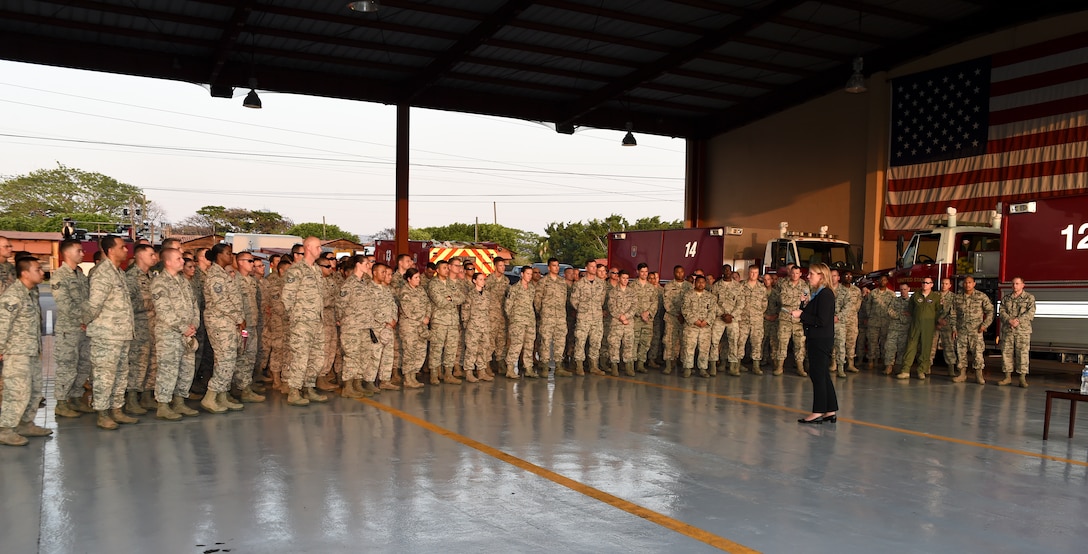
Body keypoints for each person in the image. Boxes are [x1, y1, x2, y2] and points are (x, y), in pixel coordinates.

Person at [86, 235, 138, 429]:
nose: (126, 250)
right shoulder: (103, 273)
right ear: (110, 251)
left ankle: (117, 409)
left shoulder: (119, 272)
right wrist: (86, 322)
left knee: (120, 374)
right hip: (106, 334)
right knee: (104, 375)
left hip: (121, 333)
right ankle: (102, 413)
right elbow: (93, 305)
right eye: (123, 247)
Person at [0, 257, 50, 446]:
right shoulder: (13, 296)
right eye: (37, 269)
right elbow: (3, 325)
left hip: (30, 350)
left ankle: (25, 424)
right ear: (25, 273)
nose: (42, 272)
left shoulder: (31, 293)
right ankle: (5, 429)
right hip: (16, 353)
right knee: (17, 392)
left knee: (35, 390)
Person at [149, 247, 200, 420]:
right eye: (179, 258)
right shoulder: (160, 283)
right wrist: (182, 327)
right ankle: (163, 405)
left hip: (187, 334)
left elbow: (194, 305)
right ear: (168, 262)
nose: (182, 262)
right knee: (168, 369)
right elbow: (164, 311)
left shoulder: (183, 281)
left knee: (186, 369)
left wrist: (194, 325)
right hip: (169, 334)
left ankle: (179, 402)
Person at [281, 237, 329, 404]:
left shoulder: (316, 270)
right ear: (308, 248)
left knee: (317, 357)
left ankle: (309, 387)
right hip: (302, 321)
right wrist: (297, 317)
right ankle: (294, 391)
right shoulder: (296, 270)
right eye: (318, 247)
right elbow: (287, 297)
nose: (320, 251)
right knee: (300, 356)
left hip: (317, 320)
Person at [51, 239, 93, 418]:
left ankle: (76, 398)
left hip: (84, 329)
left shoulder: (80, 275)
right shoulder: (60, 276)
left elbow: (88, 300)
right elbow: (64, 305)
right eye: (79, 251)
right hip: (69, 330)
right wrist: (83, 319)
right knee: (66, 366)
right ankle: (61, 403)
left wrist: (88, 319)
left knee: (83, 364)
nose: (83, 254)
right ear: (67, 253)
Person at [793, 263, 837, 424]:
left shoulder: (825, 294)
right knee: (823, 374)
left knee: (818, 375)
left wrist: (802, 314)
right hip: (818, 338)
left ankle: (818, 411)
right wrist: (804, 305)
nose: (808, 276)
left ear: (822, 276)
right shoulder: (818, 294)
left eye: (812, 273)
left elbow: (822, 320)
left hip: (820, 339)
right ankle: (830, 410)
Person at [125, 243, 157, 415]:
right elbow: (130, 304)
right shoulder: (131, 277)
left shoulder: (151, 276)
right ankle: (131, 398)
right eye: (151, 254)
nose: (155, 258)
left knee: (152, 362)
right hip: (139, 327)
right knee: (138, 362)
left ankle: (147, 395)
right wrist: (153, 304)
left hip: (153, 327)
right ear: (140, 256)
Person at [427, 260, 465, 384]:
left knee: (451, 348)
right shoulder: (433, 284)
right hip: (439, 321)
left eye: (447, 268)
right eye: (444, 268)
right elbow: (440, 302)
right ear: (437, 270)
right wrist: (452, 299)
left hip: (453, 321)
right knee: (436, 348)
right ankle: (433, 374)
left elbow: (462, 297)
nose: (446, 270)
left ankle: (448, 373)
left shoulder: (451, 283)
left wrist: (450, 298)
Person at [534, 258, 572, 378]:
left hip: (560, 317)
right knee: (545, 341)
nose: (556, 268)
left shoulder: (562, 282)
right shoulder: (543, 282)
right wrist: (542, 312)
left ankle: (559, 367)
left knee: (560, 341)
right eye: (554, 266)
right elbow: (537, 300)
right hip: (547, 316)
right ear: (549, 267)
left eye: (557, 266)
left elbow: (565, 299)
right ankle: (544, 366)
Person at [952, 276, 993, 385]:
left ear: (974, 284)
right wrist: (954, 328)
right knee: (961, 353)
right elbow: (953, 314)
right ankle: (962, 374)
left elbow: (990, 311)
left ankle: (978, 375)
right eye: (965, 282)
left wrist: (985, 325)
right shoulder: (957, 297)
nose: (967, 285)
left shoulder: (981, 296)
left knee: (978, 353)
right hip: (962, 330)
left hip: (976, 331)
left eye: (970, 282)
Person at [898, 278, 942, 380]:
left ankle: (921, 370)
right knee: (910, 346)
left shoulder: (935, 297)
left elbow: (938, 311)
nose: (925, 284)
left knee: (925, 348)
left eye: (927, 283)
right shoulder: (916, 296)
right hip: (916, 325)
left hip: (928, 326)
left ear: (932, 284)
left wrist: (937, 322)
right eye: (923, 282)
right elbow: (911, 310)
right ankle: (905, 370)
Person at [571, 259, 606, 376]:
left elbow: (602, 300)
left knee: (596, 342)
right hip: (583, 317)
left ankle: (594, 366)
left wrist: (595, 309)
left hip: (596, 317)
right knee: (580, 341)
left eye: (595, 267)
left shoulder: (601, 284)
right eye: (591, 267)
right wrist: (583, 309)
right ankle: (579, 366)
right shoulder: (579, 284)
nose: (594, 269)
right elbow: (574, 300)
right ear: (586, 268)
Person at [396, 268, 430, 388]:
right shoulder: (404, 291)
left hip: (421, 327)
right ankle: (407, 378)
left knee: (420, 351)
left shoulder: (421, 290)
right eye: (416, 278)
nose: (418, 280)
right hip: (409, 327)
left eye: (419, 277)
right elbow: (407, 310)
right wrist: (422, 318)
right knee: (409, 352)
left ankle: (414, 376)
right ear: (409, 279)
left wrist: (427, 316)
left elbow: (428, 304)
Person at [999, 277, 1035, 387]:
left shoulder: (1029, 298)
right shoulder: (1006, 298)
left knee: (1022, 353)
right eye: (1013, 284)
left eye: (1017, 284)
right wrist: (1009, 320)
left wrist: (1018, 321)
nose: (1015, 286)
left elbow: (1030, 313)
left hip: (1022, 331)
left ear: (1023, 285)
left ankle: (1022, 378)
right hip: (1008, 330)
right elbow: (1001, 311)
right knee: (1006, 353)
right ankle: (1007, 377)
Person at [680, 274, 717, 378]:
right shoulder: (688, 295)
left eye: (703, 282)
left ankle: (703, 369)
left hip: (705, 327)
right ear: (695, 283)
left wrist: (706, 321)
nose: (700, 284)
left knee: (704, 349)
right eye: (698, 282)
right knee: (689, 347)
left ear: (705, 284)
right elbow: (685, 309)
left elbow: (713, 311)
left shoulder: (711, 297)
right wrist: (694, 321)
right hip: (691, 327)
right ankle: (687, 368)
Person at [775, 265, 809, 377]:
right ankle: (780, 367)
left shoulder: (804, 285)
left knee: (800, 344)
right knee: (782, 343)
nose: (795, 275)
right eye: (793, 273)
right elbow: (783, 300)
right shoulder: (784, 284)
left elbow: (806, 301)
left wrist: (801, 300)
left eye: (797, 273)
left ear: (800, 274)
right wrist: (798, 299)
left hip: (799, 320)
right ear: (790, 273)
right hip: (785, 319)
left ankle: (800, 367)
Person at [461, 272, 494, 383]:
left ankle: (481, 371)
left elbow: (489, 310)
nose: (482, 281)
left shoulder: (487, 294)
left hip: (485, 326)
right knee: (471, 350)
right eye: (480, 279)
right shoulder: (470, 294)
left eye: (483, 279)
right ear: (474, 281)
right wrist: (466, 324)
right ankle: (469, 372)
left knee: (483, 349)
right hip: (473, 326)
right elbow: (465, 310)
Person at [505, 267, 537, 378]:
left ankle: (528, 368)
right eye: (527, 274)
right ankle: (510, 368)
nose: (529, 276)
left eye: (531, 274)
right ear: (522, 274)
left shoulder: (532, 288)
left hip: (530, 320)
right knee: (516, 344)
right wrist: (513, 319)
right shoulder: (514, 288)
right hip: (518, 321)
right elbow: (508, 306)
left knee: (529, 345)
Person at [607, 269, 637, 376]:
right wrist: (620, 317)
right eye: (623, 278)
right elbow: (611, 307)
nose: (625, 280)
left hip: (628, 323)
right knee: (614, 344)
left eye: (627, 278)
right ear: (619, 278)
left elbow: (634, 306)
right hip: (616, 322)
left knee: (628, 344)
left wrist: (626, 316)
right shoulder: (613, 292)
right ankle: (614, 366)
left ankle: (628, 366)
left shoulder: (632, 292)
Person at [661, 265, 690, 375]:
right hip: (671, 318)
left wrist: (684, 314)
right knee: (669, 341)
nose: (679, 274)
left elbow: (691, 303)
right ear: (674, 273)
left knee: (684, 342)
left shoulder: (689, 286)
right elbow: (667, 302)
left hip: (685, 318)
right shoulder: (668, 286)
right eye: (677, 272)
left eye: (681, 272)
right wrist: (677, 314)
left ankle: (683, 364)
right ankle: (668, 365)